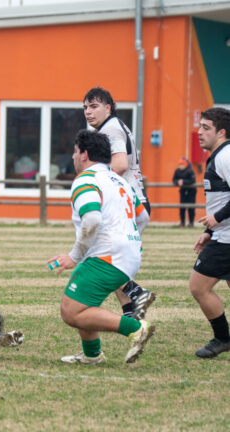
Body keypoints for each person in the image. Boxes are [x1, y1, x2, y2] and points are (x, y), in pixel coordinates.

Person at [47, 130, 154, 365]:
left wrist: (74, 256)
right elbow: (143, 217)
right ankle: (92, 355)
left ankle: (136, 329)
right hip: (126, 254)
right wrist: (128, 240)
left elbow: (92, 219)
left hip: (108, 255)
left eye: (75, 152)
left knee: (71, 311)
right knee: (85, 304)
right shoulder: (120, 181)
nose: (74, 157)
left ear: (84, 154)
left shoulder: (86, 179)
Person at [83, 87, 155, 320]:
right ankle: (131, 311)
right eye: (85, 107)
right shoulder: (113, 126)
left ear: (108, 108)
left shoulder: (111, 128)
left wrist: (92, 178)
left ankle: (137, 295)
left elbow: (121, 163)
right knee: (109, 259)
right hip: (131, 204)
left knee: (103, 258)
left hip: (128, 205)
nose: (88, 112)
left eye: (94, 106)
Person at [188, 107, 230, 358]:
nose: (199, 132)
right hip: (222, 235)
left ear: (221, 132)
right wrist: (209, 231)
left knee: (198, 286)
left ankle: (223, 338)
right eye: (199, 126)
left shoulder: (225, 156)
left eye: (206, 128)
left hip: (227, 239)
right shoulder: (219, 155)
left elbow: (221, 208)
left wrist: (216, 219)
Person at [173, 157, 197, 227]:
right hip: (183, 191)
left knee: (191, 207)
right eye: (179, 164)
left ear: (186, 165)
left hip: (191, 191)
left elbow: (192, 180)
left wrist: (183, 182)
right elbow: (174, 179)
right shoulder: (177, 171)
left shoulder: (190, 171)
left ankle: (191, 223)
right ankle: (182, 222)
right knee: (182, 207)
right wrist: (177, 182)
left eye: (182, 164)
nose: (180, 166)